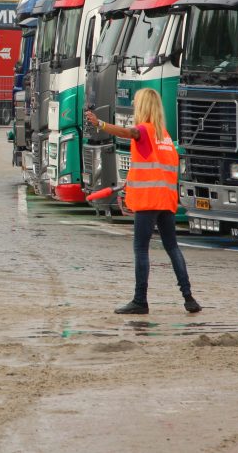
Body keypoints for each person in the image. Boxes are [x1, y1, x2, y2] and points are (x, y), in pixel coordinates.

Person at [84, 89, 201, 315]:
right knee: (172, 247)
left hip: (148, 202)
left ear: (143, 107)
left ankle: (140, 300)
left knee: (141, 249)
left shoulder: (145, 131)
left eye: (136, 103)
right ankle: (189, 298)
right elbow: (155, 169)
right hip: (166, 201)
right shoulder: (164, 136)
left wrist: (100, 124)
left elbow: (128, 132)